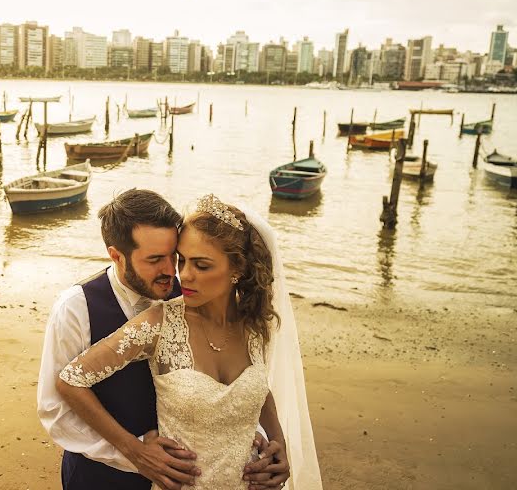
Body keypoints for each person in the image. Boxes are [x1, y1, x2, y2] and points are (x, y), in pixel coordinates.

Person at [54, 194, 321, 490]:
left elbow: (258, 388)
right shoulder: (158, 321)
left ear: (238, 270)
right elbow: (69, 381)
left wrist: (277, 441)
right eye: (183, 260)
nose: (183, 275)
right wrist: (133, 448)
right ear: (116, 256)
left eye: (201, 265)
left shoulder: (255, 325)